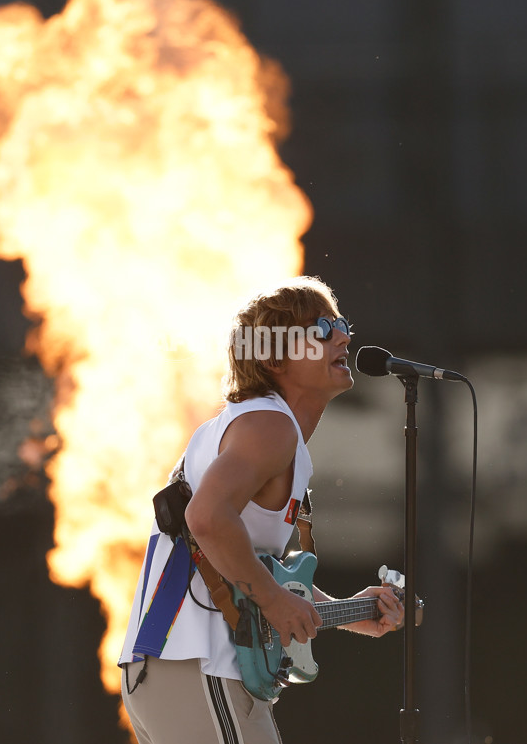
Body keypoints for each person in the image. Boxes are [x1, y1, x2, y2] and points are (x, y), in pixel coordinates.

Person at [119, 276, 404, 744]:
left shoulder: (258, 426)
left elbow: (249, 571)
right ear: (273, 358)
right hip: (200, 663)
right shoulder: (270, 426)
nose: (344, 337)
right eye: (321, 329)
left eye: (341, 324)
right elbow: (206, 519)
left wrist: (352, 612)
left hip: (177, 670)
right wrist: (274, 599)